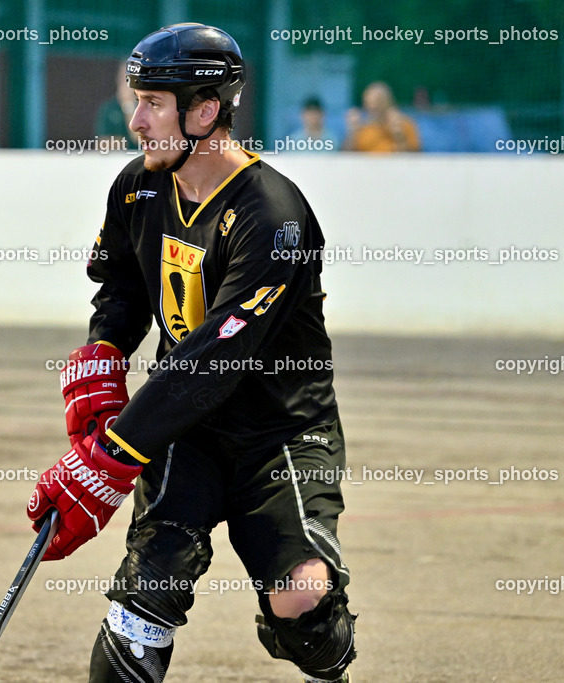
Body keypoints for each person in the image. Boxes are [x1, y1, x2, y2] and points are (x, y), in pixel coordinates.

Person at [27, 23, 356, 683]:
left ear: (205, 111)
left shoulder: (275, 216)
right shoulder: (138, 187)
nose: (136, 120)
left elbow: (214, 358)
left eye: (153, 102)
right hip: (187, 431)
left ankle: (314, 640)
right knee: (144, 596)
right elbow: (121, 282)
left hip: (281, 431)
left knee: (301, 598)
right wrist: (105, 353)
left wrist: (113, 455)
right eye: (135, 99)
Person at [342, 81, 421, 152]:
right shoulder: (362, 129)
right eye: (369, 103)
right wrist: (352, 133)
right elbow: (345, 157)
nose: (373, 107)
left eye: (378, 102)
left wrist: (399, 135)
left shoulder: (405, 124)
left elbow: (415, 158)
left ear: (388, 102)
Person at [96, 61, 140, 148]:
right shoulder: (109, 108)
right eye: (124, 78)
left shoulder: (148, 106)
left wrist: (128, 106)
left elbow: (140, 139)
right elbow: (103, 144)